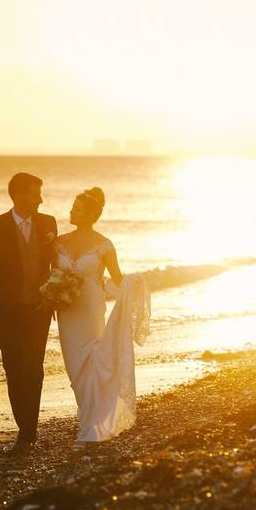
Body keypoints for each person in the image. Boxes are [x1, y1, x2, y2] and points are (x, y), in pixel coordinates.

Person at [54, 187, 151, 446]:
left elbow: (118, 280)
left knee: (92, 362)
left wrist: (138, 283)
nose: (72, 210)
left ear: (91, 214)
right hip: (67, 311)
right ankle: (90, 419)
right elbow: (52, 276)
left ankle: (90, 427)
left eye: (77, 208)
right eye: (72, 206)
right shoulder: (58, 242)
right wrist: (52, 292)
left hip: (90, 308)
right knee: (75, 368)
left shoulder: (104, 245)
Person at [0, 172, 58, 455]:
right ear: (19, 195)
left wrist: (55, 296)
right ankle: (23, 424)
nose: (40, 199)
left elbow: (55, 265)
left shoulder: (48, 223)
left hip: (39, 309)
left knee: (34, 368)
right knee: (13, 368)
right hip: (7, 311)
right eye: (36, 193)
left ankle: (28, 434)